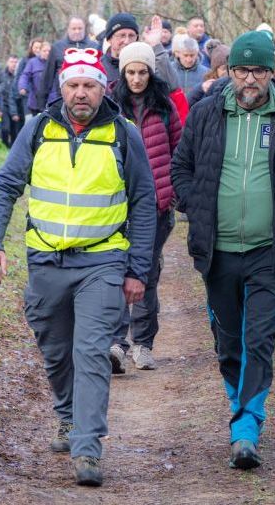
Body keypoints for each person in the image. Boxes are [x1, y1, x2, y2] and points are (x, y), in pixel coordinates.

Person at [0, 47, 156, 487]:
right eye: (74, 85)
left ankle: (88, 447)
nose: (81, 93)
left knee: (92, 351)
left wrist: (137, 269)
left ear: (103, 88)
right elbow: (6, 184)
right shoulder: (39, 129)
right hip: (45, 260)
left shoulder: (123, 133)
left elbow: (144, 202)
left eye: (89, 85)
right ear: (62, 88)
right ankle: (66, 416)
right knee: (56, 352)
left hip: (103, 259)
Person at [171, 31, 275, 470]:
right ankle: (241, 410)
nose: (249, 79)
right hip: (217, 250)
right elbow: (181, 167)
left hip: (270, 250)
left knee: (260, 339)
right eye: (241, 70)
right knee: (229, 341)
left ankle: (245, 428)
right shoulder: (205, 114)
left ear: (270, 73)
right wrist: (193, 203)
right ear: (229, 72)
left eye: (258, 70)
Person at [109, 42, 182, 370]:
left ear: (151, 73)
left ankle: (143, 343)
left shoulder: (165, 107)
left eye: (142, 72)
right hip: (115, 203)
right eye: (131, 72)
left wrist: (174, 194)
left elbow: (179, 151)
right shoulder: (110, 106)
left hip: (155, 205)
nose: (137, 78)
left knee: (146, 273)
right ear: (123, 73)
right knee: (114, 270)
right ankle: (115, 342)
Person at [40, 17, 98, 105]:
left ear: (84, 29)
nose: (77, 31)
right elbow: (47, 77)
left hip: (89, 98)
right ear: (68, 29)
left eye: (80, 28)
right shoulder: (57, 47)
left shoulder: (95, 47)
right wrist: (41, 104)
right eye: (74, 28)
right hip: (63, 99)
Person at [11, 39, 42, 140]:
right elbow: (19, 77)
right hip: (26, 96)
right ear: (31, 48)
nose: (37, 50)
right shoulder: (25, 61)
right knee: (28, 120)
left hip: (41, 97)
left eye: (39, 48)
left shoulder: (46, 61)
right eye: (35, 47)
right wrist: (19, 91)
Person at [187, 43, 229, 107]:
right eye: (224, 68)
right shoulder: (207, 86)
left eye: (231, 68)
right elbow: (188, 103)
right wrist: (200, 89)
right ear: (215, 70)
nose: (228, 72)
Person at [18, 41, 51, 118]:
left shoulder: (54, 62)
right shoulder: (32, 62)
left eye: (49, 51)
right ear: (40, 51)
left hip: (50, 100)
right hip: (35, 101)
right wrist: (22, 86)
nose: (47, 53)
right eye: (44, 51)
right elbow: (25, 75)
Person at [0, 55, 19, 148]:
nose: (13, 64)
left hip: (17, 106)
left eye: (15, 62)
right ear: (7, 63)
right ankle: (4, 146)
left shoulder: (19, 75)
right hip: (5, 105)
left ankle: (13, 149)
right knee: (5, 128)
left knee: (15, 130)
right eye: (11, 62)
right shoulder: (2, 75)